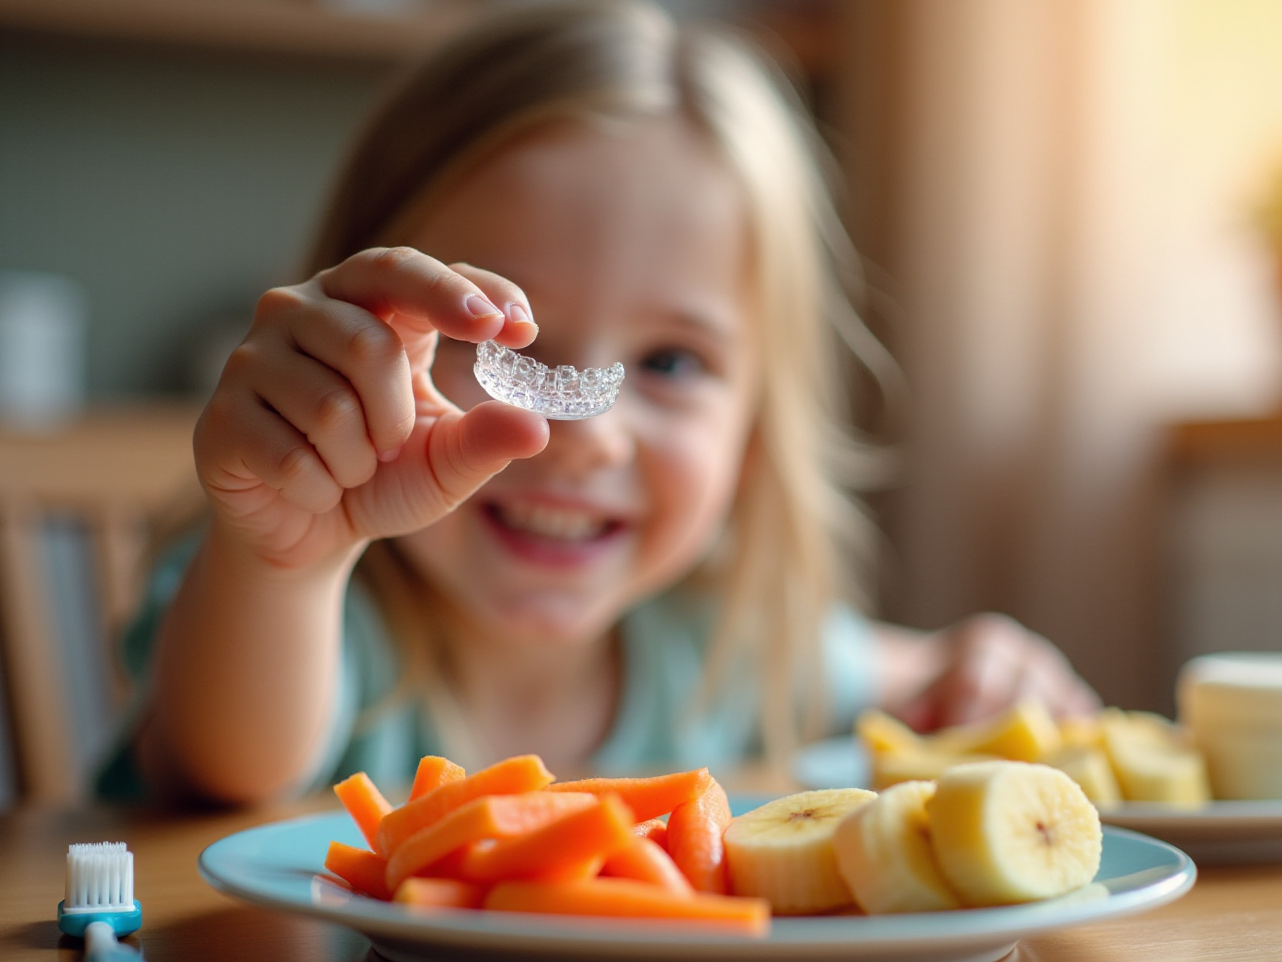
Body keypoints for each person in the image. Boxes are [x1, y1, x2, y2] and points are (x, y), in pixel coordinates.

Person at [100, 0, 1097, 804]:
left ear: (756, 431)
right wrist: (284, 566)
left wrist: (984, 666)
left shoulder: (721, 647)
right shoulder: (292, 588)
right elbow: (227, 766)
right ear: (364, 335)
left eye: (669, 363)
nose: (580, 442)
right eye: (491, 340)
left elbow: (925, 676)